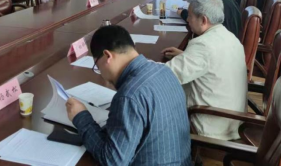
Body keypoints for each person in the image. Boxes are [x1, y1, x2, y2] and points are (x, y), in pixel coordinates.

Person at [66, 25, 191, 166]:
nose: (101, 73)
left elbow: (112, 161)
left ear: (107, 56)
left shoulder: (128, 97)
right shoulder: (165, 71)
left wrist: (81, 117)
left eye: (98, 66)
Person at [163, 0, 247, 141]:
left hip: (212, 125)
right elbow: (212, 61)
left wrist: (135, 62)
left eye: (190, 16)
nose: (187, 19)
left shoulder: (203, 46)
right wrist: (185, 55)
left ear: (203, 19)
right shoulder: (229, 37)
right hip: (233, 119)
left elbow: (166, 75)